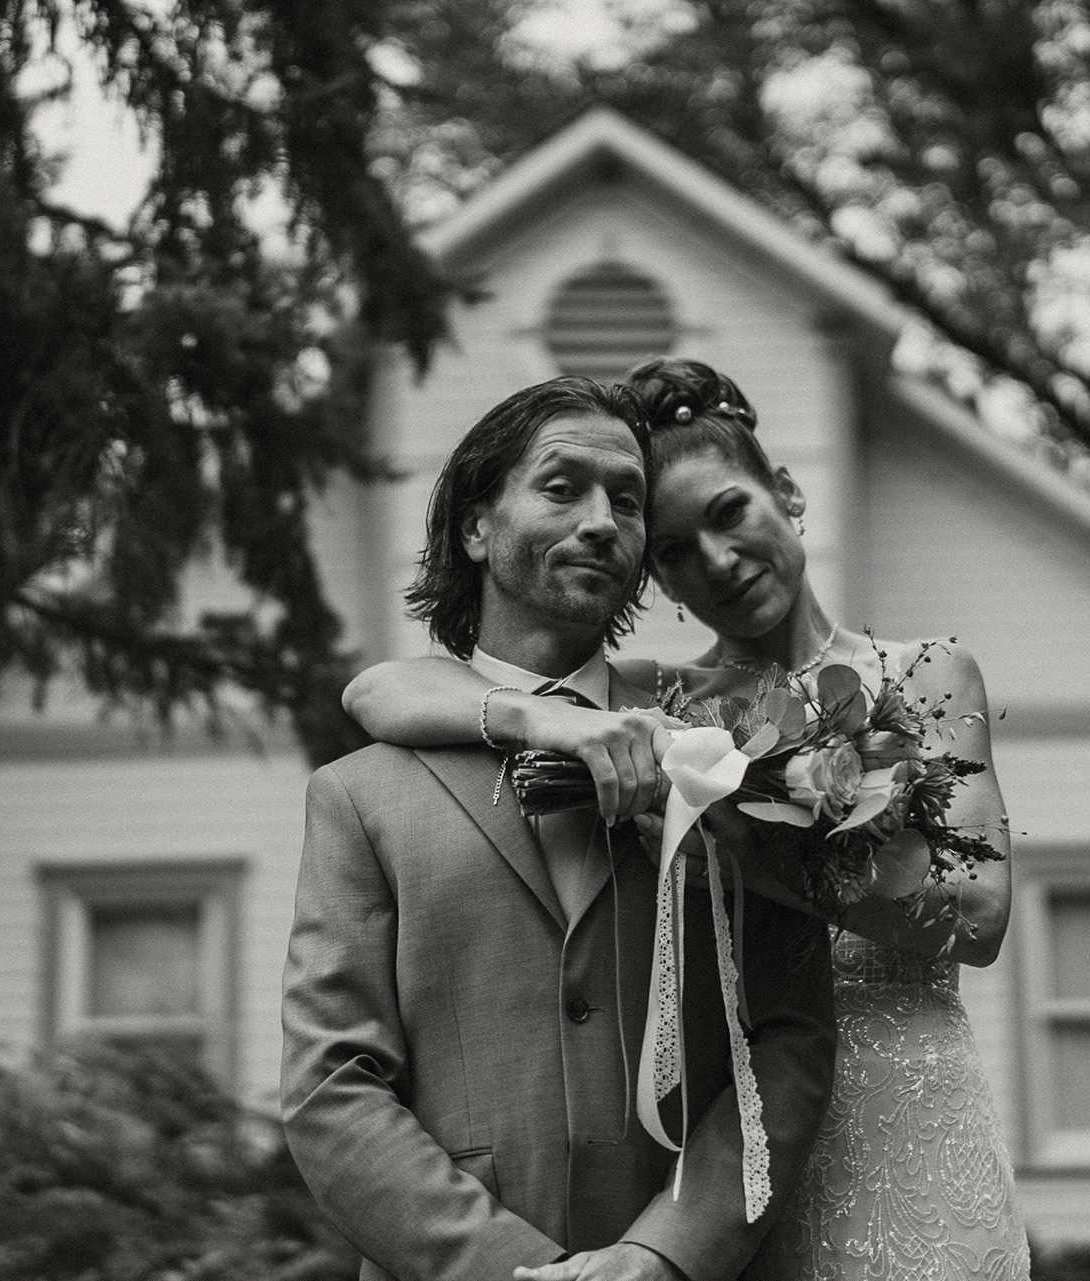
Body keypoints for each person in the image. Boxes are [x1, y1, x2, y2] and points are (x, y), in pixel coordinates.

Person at [343, 359, 1031, 1280]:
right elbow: (379, 689)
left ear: (786, 493)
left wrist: (749, 843)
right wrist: (540, 719)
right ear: (654, 575)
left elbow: (978, 916)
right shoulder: (670, 706)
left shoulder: (926, 673)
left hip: (903, 1098)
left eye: (730, 512)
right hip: (725, 1144)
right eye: (672, 549)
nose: (717, 560)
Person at [281, 376, 839, 1281]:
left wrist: (662, 1257)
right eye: (560, 487)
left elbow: (790, 1036)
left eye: (627, 500)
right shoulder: (359, 796)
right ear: (476, 526)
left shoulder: (729, 742)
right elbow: (332, 1087)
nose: (601, 522)